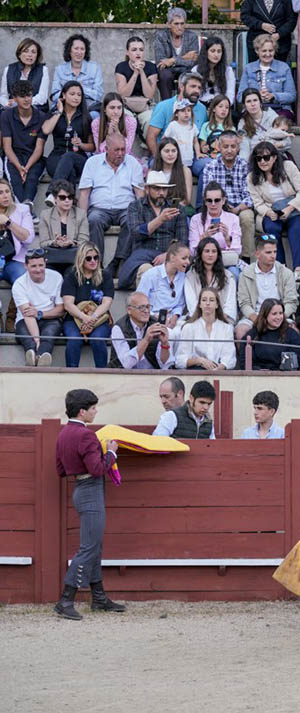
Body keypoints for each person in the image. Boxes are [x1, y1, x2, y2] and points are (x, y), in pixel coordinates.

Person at [53, 389, 122, 621]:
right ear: (82, 412)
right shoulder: (86, 435)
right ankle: (65, 601)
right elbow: (97, 469)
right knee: (89, 548)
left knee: (94, 546)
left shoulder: (63, 434)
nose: (96, 411)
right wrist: (111, 453)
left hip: (79, 490)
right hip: (91, 491)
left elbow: (60, 470)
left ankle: (99, 598)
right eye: (93, 408)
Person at [78, 132, 145, 270]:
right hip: (99, 209)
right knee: (93, 220)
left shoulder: (133, 163)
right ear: (106, 149)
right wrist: (81, 219)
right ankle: (97, 262)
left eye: (123, 149)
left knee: (132, 220)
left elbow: (139, 193)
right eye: (116, 150)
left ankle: (118, 261)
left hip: (126, 208)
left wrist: (142, 214)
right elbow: (84, 194)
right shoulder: (92, 163)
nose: (120, 153)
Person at [246, 142, 300, 269]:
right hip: (272, 211)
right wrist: (269, 212)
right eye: (259, 158)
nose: (263, 161)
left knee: (296, 230)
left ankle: (299, 268)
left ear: (274, 157)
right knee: (272, 229)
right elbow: (257, 203)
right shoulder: (252, 177)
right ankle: (280, 267)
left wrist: (289, 208)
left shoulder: (288, 166)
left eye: (266, 157)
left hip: (293, 209)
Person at [120, 171, 188, 288]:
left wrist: (168, 255)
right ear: (147, 189)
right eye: (157, 189)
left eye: (164, 189)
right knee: (147, 271)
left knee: (176, 268)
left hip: (169, 256)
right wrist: (160, 219)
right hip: (143, 258)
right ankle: (146, 306)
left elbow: (182, 240)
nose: (161, 193)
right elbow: (136, 234)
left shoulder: (177, 208)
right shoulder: (135, 206)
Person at [200, 131, 256, 263]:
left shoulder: (245, 166)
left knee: (247, 217)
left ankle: (246, 258)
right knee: (215, 215)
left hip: (240, 206)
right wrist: (221, 207)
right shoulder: (210, 167)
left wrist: (237, 209)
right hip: (218, 206)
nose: (229, 150)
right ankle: (216, 257)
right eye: (225, 147)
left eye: (233, 146)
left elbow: (250, 195)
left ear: (238, 148)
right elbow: (208, 194)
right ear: (219, 147)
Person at [61, 243, 113, 369]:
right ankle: (72, 373)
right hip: (74, 318)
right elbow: (68, 304)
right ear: (81, 259)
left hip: (99, 318)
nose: (93, 261)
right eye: (88, 258)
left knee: (98, 339)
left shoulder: (105, 276)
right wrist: (84, 318)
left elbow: (106, 302)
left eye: (96, 257)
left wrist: (93, 317)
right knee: (74, 340)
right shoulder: (72, 276)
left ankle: (102, 373)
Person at [236, 234, 299, 338]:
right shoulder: (246, 273)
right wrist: (257, 320)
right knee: (241, 331)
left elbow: (291, 302)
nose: (273, 256)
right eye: (268, 252)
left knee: (294, 331)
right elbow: (244, 303)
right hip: (255, 316)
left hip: (280, 316)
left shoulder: (286, 273)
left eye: (275, 252)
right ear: (257, 254)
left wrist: (280, 317)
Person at [12, 250, 64, 367]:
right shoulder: (19, 284)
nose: (38, 269)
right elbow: (28, 315)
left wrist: (39, 313)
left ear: (45, 263)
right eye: (33, 266)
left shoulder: (56, 277)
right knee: (27, 339)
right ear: (26, 266)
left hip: (49, 317)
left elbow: (60, 310)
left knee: (49, 333)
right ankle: (33, 356)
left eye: (41, 265)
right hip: (25, 320)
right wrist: (37, 341)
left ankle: (41, 356)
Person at [1, 80, 47, 207]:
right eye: (22, 96)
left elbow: (39, 148)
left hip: (34, 158)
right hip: (13, 157)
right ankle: (24, 210)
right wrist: (19, 166)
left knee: (32, 178)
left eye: (29, 95)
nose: (26, 99)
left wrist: (26, 168)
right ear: (14, 98)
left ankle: (26, 207)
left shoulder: (41, 116)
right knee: (15, 181)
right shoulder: (6, 115)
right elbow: (7, 147)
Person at [41, 81, 93, 187]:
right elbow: (46, 130)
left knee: (69, 157)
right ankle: (70, 200)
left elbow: (92, 147)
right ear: (64, 95)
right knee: (70, 171)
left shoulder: (85, 117)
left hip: (79, 157)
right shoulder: (54, 113)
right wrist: (59, 111)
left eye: (79, 95)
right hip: (57, 156)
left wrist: (81, 144)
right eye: (72, 94)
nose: (76, 98)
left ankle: (52, 192)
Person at [144, 73, 207, 161]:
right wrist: (158, 157)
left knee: (207, 164)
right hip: (166, 155)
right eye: (193, 86)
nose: (197, 91)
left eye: (199, 88)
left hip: (191, 156)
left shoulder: (202, 109)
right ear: (181, 86)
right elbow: (151, 136)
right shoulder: (164, 106)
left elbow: (201, 137)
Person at [176, 287, 237, 370]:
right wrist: (199, 361)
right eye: (204, 300)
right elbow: (180, 361)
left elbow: (229, 359)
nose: (207, 303)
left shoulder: (227, 328)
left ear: (217, 305)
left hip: (219, 373)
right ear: (200, 304)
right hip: (196, 372)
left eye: (211, 300)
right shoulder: (189, 327)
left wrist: (220, 368)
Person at [109, 292, 173, 370]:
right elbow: (126, 364)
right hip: (123, 375)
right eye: (141, 307)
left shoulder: (155, 325)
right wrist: (146, 340)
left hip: (151, 374)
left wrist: (164, 344)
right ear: (129, 310)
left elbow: (165, 365)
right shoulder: (119, 328)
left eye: (148, 307)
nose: (146, 311)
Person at [136, 241, 189, 335]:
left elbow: (180, 304)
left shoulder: (183, 277)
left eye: (188, 258)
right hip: (151, 319)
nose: (188, 262)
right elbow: (139, 303)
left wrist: (175, 317)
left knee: (186, 330)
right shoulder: (151, 275)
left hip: (174, 321)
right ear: (172, 258)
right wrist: (156, 316)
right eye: (184, 258)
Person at [237, 34, 296, 118]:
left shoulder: (284, 68)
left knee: (277, 119)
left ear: (274, 51)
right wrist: (255, 95)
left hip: (280, 109)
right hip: (254, 109)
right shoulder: (249, 68)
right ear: (257, 51)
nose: (267, 54)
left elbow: (292, 95)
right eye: (264, 51)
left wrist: (273, 96)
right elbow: (240, 96)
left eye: (270, 50)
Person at [189, 183, 243, 272]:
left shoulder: (233, 219)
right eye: (209, 200)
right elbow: (192, 252)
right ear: (205, 202)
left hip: (226, 261)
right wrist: (204, 237)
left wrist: (227, 239)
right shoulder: (196, 219)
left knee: (234, 272)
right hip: (204, 262)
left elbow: (238, 251)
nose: (213, 204)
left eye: (217, 200)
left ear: (223, 201)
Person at [242, 298, 300, 370]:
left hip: (285, 377)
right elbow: (244, 361)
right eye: (274, 314)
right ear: (265, 315)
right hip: (259, 376)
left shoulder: (291, 334)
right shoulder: (253, 334)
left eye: (281, 313)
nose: (278, 317)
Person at [38, 179, 90, 267]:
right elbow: (43, 243)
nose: (67, 200)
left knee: (72, 273)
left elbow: (84, 241)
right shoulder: (45, 215)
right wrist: (55, 242)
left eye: (70, 197)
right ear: (55, 199)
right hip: (52, 259)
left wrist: (72, 242)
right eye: (62, 197)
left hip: (74, 259)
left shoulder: (80, 214)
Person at [153, 8, 200, 100]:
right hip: (167, 70)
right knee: (165, 75)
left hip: (185, 69)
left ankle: (185, 104)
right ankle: (167, 105)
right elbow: (161, 62)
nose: (180, 27)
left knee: (188, 74)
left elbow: (193, 62)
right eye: (176, 24)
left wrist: (172, 60)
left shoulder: (192, 36)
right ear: (169, 24)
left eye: (182, 23)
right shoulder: (161, 36)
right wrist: (184, 58)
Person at [49, 34, 103, 112]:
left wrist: (81, 89)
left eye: (82, 49)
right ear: (69, 50)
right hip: (65, 106)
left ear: (85, 51)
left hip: (88, 107)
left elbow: (98, 95)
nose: (79, 52)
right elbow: (54, 95)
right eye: (76, 48)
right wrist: (70, 95)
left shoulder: (95, 68)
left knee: (95, 116)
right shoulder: (59, 69)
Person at [0, 178, 34, 287]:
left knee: (21, 277)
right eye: (0, 193)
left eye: (7, 191)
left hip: (14, 261)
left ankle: (19, 304)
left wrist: (9, 223)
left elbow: (28, 239)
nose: (5, 196)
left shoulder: (22, 210)